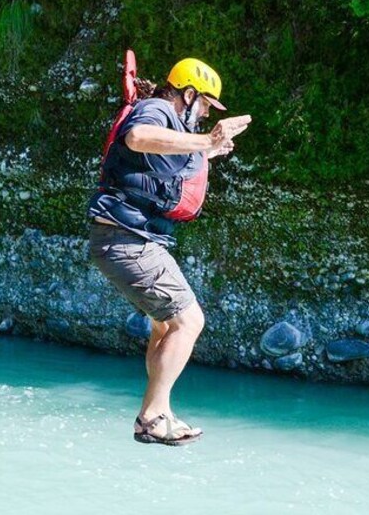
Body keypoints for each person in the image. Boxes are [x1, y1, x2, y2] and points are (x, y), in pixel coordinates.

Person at [87, 58, 251, 446]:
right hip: (128, 240)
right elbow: (138, 138)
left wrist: (210, 151)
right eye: (207, 104)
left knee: (165, 327)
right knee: (189, 321)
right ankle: (151, 416)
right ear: (189, 94)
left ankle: (162, 411)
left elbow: (166, 161)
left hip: (125, 240)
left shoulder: (173, 127)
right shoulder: (156, 110)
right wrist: (206, 140)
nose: (208, 112)